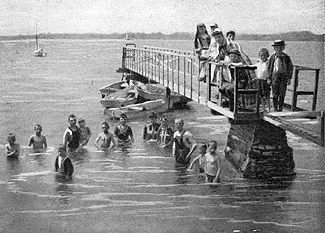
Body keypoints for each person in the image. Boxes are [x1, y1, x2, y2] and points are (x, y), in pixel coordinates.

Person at [267, 40, 293, 112]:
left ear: (283, 48)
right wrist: (268, 78)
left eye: (281, 47)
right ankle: (275, 108)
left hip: (284, 77)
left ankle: (280, 108)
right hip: (275, 77)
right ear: (274, 48)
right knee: (275, 94)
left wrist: (289, 78)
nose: (279, 49)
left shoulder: (286, 58)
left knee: (282, 94)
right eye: (277, 47)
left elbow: (290, 68)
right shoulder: (272, 57)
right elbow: (269, 68)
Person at [254, 48, 271, 112]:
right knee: (261, 95)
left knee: (266, 95)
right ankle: (263, 108)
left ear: (267, 56)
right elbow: (252, 66)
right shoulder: (259, 63)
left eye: (264, 55)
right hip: (259, 80)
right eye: (261, 56)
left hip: (265, 80)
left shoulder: (268, 63)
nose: (263, 57)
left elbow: (269, 71)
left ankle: (269, 108)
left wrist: (269, 79)